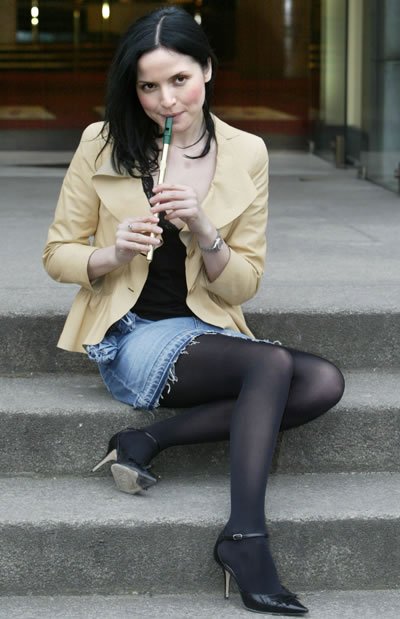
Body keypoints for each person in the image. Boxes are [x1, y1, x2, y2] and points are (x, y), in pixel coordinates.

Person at [43, 6, 344, 615]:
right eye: (148, 87)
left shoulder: (246, 151)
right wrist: (112, 252)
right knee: (271, 366)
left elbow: (243, 285)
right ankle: (246, 538)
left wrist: (206, 231)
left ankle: (146, 438)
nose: (165, 100)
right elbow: (57, 254)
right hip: (130, 333)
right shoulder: (101, 141)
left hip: (206, 328)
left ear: (207, 69)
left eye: (179, 79)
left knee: (321, 382)